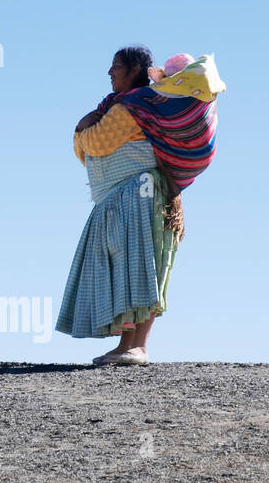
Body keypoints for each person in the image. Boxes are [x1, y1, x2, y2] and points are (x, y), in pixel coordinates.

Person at [56, 46, 223, 365]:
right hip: (124, 197)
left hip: (139, 196)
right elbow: (89, 154)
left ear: (134, 70)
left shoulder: (130, 108)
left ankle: (138, 347)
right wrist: (86, 132)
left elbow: (95, 144)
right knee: (130, 268)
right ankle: (126, 346)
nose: (110, 72)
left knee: (142, 266)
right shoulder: (128, 106)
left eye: (116, 66)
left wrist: (80, 127)